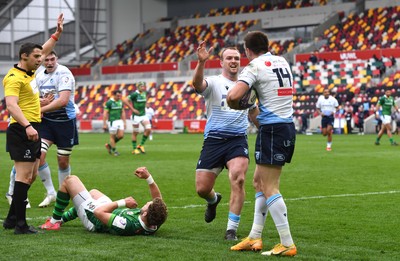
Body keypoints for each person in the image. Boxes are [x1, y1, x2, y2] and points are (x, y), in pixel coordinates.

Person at [227, 31, 297, 256]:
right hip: (283, 126)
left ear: (247, 50)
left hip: (273, 129)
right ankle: (255, 237)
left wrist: (242, 100)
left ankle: (287, 243)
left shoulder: (254, 66)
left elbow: (232, 96)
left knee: (269, 187)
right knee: (258, 182)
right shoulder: (282, 60)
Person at [2, 13, 64, 234]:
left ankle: (10, 221)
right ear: (24, 56)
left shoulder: (28, 72)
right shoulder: (13, 77)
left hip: (33, 127)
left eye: (41, 56)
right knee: (23, 176)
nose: (41, 59)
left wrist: (56, 34)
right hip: (22, 129)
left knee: (33, 175)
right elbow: (11, 105)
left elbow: (45, 49)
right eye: (37, 56)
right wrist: (27, 126)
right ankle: (20, 225)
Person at [192, 42, 259, 241]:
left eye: (236, 58)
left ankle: (231, 230)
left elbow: (254, 112)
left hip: (237, 140)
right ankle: (213, 200)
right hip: (213, 140)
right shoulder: (213, 82)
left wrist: (267, 129)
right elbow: (197, 85)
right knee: (202, 189)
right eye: (229, 58)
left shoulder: (247, 87)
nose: (233, 61)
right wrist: (201, 62)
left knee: (238, 179)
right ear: (221, 62)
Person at [5, 51, 78, 209]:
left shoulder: (64, 73)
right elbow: (32, 99)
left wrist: (41, 109)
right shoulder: (38, 76)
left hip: (65, 123)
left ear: (57, 59)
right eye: (47, 60)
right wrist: (41, 103)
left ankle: (61, 194)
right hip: (45, 123)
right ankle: (17, 194)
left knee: (63, 161)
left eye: (53, 59)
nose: (50, 62)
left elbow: (63, 101)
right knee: (36, 157)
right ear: (42, 61)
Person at [40, 167, 168, 236]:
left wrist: (123, 202)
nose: (148, 202)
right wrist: (148, 178)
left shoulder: (127, 224)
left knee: (70, 180)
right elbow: (158, 201)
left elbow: (98, 212)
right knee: (93, 192)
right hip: (110, 211)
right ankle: (63, 219)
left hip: (94, 219)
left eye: (148, 204)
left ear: (145, 213)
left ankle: (54, 221)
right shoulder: (155, 222)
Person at [123, 82, 151, 154]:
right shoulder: (134, 94)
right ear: (138, 87)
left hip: (143, 115)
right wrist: (133, 109)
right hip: (135, 116)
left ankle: (141, 145)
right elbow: (125, 100)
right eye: (141, 86)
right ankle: (134, 149)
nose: (143, 88)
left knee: (148, 129)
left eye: (144, 86)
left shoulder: (144, 93)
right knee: (136, 132)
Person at [103, 90, 126, 156]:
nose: (119, 97)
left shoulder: (120, 102)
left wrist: (124, 122)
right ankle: (115, 151)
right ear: (114, 95)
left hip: (119, 120)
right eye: (117, 96)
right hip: (112, 121)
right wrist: (104, 124)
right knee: (112, 137)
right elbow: (105, 113)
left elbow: (123, 112)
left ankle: (109, 146)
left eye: (120, 96)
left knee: (121, 136)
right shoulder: (109, 102)